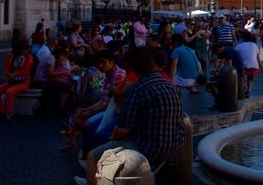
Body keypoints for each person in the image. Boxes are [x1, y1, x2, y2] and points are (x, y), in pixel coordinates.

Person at [78, 48, 185, 185]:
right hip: (175, 146)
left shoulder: (137, 89)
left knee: (93, 156)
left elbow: (122, 129)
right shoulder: (172, 87)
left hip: (148, 148)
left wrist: (113, 140)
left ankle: (91, 180)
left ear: (132, 67)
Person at [0, 40, 35, 120]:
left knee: (9, 92)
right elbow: (6, 68)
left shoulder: (29, 57)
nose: (25, 51)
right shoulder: (11, 56)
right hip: (12, 80)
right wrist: (9, 75)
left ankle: (9, 112)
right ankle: (0, 110)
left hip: (23, 81)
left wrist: (14, 74)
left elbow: (26, 70)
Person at [235, 29, 263, 97]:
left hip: (243, 68)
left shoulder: (239, 46)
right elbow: (258, 59)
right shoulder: (255, 45)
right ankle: (248, 90)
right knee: (250, 77)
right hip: (254, 68)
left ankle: (242, 87)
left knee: (239, 74)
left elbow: (235, 57)